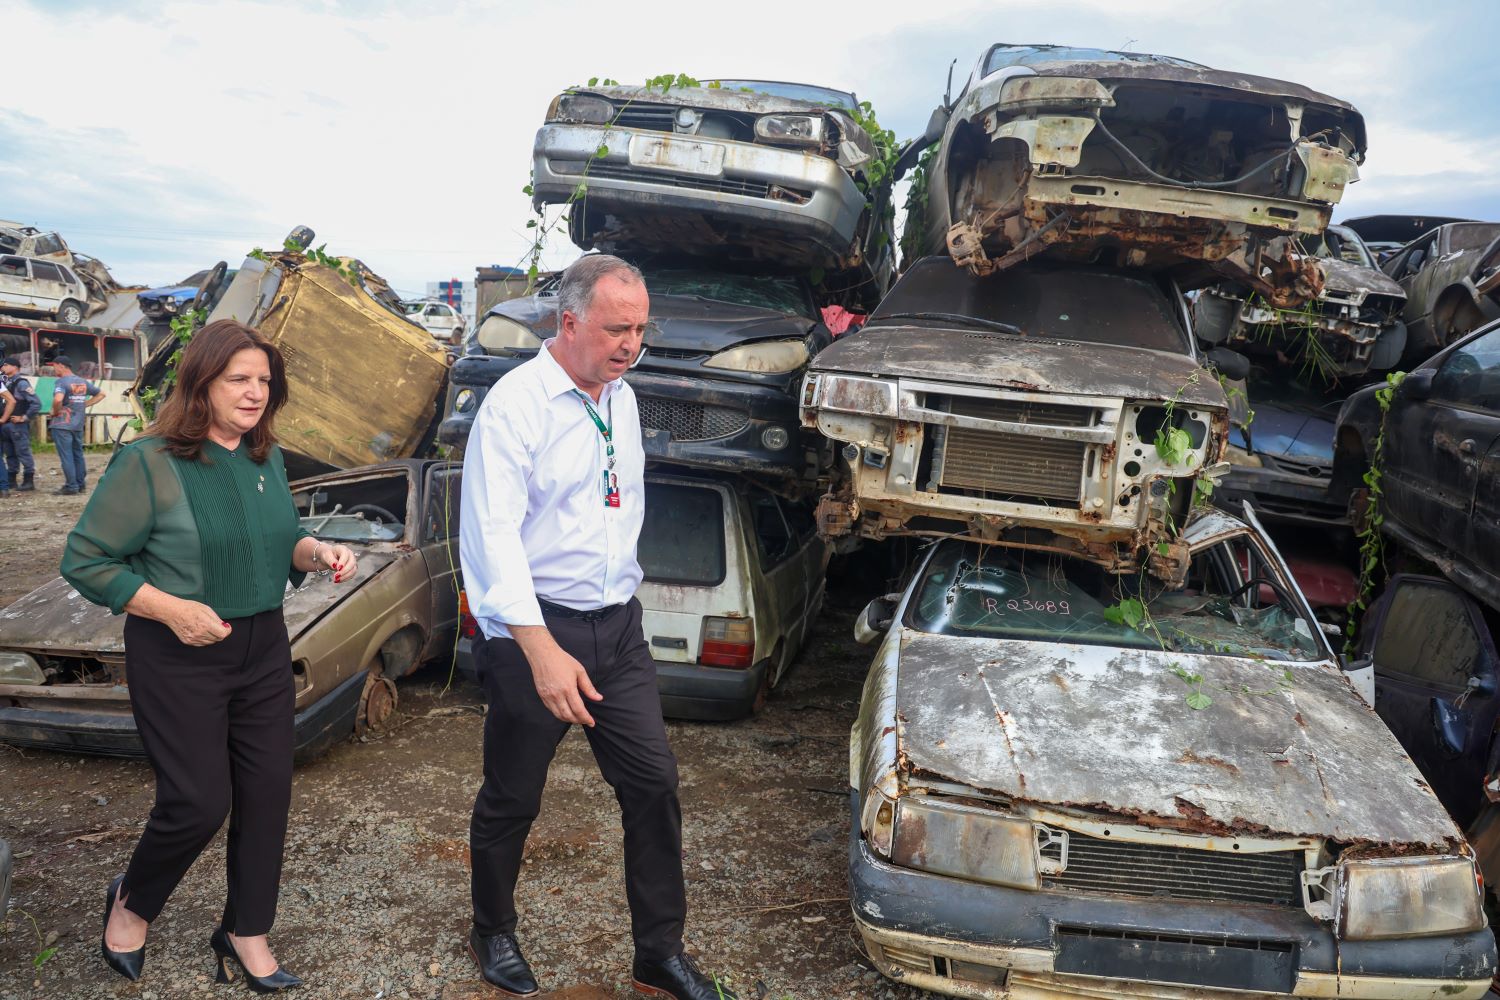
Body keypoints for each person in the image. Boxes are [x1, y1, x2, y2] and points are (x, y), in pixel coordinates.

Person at [460, 255, 737, 1000]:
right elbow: (493, 536)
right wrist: (540, 650)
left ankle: (658, 952)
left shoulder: (621, 395)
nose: (631, 343)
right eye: (618, 328)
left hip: (617, 630)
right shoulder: (515, 407)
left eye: (641, 328)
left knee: (653, 784)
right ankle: (492, 927)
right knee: (513, 796)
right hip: (534, 633)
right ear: (570, 321)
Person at [60, 320, 359, 992]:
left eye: (264, 381)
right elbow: (84, 560)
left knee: (266, 795)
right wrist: (170, 609)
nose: (255, 393)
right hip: (178, 651)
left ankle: (245, 931)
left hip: (262, 646)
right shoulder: (150, 462)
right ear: (202, 382)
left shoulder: (265, 459)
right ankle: (133, 901)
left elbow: (282, 539)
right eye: (239, 380)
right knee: (197, 802)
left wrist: (318, 552)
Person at [48, 355, 104, 495]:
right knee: (78, 454)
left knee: (66, 456)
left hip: (62, 424)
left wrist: (55, 412)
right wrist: (82, 405)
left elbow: (58, 399)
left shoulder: (61, 382)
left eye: (54, 366)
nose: (54, 369)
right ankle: (80, 484)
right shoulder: (82, 382)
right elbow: (101, 394)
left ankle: (71, 486)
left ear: (61, 365)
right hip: (77, 424)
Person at [0, 356, 38, 493]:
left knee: (23, 452)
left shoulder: (21, 383)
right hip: (7, 425)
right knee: (10, 454)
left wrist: (24, 418)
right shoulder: (7, 382)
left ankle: (29, 481)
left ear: (14, 367)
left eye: (5, 365)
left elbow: (36, 403)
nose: (2, 368)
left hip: (17, 425)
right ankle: (12, 481)